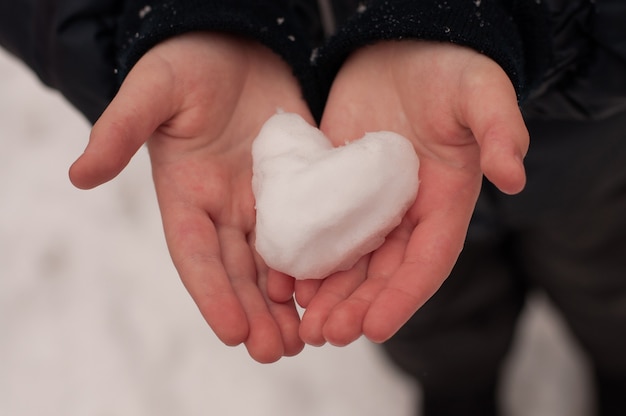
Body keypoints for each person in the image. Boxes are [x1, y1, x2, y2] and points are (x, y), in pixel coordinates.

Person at [1, 0, 625, 414]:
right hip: (370, 132)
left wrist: (501, 14)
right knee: (434, 322)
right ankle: (458, 391)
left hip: (588, 145)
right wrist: (195, 12)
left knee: (609, 283)